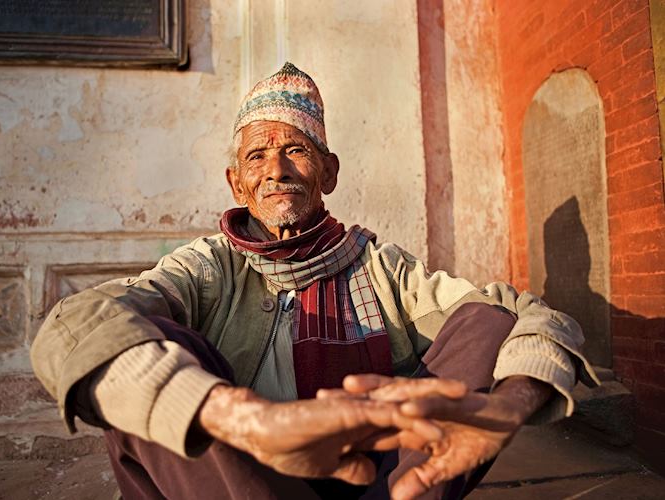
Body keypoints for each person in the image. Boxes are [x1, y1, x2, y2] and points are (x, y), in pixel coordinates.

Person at [31, 63, 597, 500]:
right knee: (136, 352)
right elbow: (77, 327)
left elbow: (521, 313)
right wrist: (247, 420)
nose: (276, 171)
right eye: (257, 157)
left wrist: (508, 408)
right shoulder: (208, 266)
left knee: (486, 319)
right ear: (237, 184)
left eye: (295, 150)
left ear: (328, 172)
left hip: (376, 483)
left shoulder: (379, 266)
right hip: (240, 479)